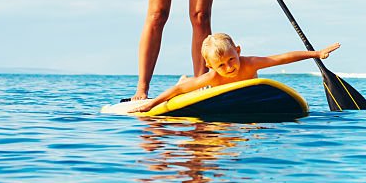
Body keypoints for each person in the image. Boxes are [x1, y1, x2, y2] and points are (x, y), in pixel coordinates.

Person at [132, 33, 341, 113]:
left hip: (247, 99)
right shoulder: (214, 76)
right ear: (210, 66)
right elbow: (177, 90)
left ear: (238, 52)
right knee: (189, 86)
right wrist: (150, 105)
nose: (229, 67)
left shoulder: (249, 63)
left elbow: (283, 57)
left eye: (232, 59)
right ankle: (188, 78)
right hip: (212, 91)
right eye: (221, 65)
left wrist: (316, 53)